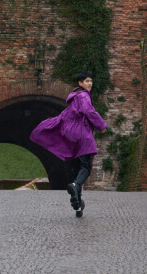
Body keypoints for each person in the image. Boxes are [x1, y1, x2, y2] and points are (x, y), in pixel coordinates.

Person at [29, 71, 107, 217]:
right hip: (82, 135)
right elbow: (88, 110)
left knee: (77, 169)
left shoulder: (73, 99)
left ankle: (77, 202)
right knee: (86, 166)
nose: (89, 84)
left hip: (71, 136)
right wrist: (101, 125)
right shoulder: (84, 96)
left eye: (90, 81)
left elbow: (62, 117)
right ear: (80, 83)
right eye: (86, 81)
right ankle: (75, 186)